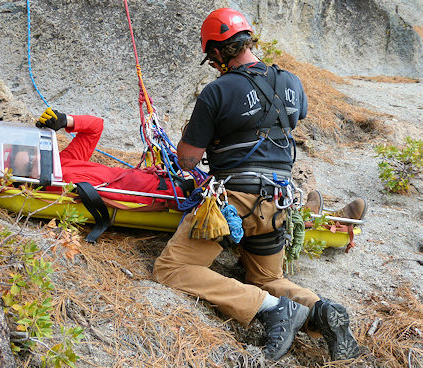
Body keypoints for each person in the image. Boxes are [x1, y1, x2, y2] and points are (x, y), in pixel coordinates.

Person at [153, 8, 364, 361]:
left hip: (234, 201)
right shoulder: (292, 82)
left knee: (171, 269)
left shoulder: (217, 91)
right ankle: (319, 308)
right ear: (248, 40)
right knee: (266, 276)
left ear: (218, 51)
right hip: (278, 204)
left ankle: (270, 309)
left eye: (213, 57)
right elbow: (295, 118)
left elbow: (188, 159)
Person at [31, 108, 187, 205]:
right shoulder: (51, 186)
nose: (32, 156)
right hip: (160, 192)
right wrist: (167, 196)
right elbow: (118, 197)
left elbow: (96, 126)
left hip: (156, 181)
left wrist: (65, 120)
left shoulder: (63, 160)